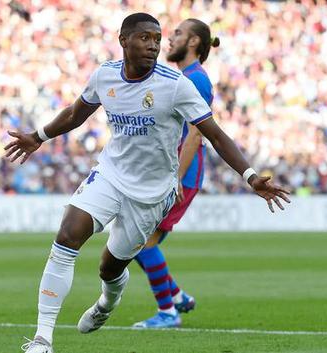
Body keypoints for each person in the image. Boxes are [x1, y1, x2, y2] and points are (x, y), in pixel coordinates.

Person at [4, 13, 290, 353]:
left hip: (152, 192)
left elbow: (213, 133)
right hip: (110, 175)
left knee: (110, 266)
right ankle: (42, 339)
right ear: (124, 40)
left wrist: (251, 176)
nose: (153, 45)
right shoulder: (105, 75)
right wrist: (39, 136)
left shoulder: (175, 85)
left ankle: (107, 303)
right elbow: (75, 113)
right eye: (144, 38)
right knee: (67, 235)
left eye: (157, 38)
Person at [132, 18, 220, 329]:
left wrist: (174, 179)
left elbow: (195, 135)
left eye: (178, 34)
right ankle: (176, 297)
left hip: (182, 174)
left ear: (194, 42)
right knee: (134, 240)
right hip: (172, 173)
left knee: (142, 242)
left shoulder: (196, 80)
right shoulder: (185, 77)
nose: (169, 39)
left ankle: (168, 311)